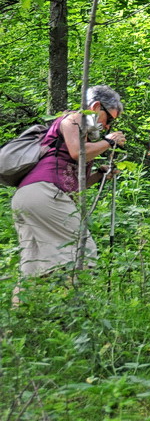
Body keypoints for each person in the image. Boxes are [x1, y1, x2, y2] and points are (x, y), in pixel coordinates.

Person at [11, 85, 126, 303]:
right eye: (108, 118)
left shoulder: (84, 134)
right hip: (44, 192)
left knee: (34, 263)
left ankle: (19, 321)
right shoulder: (73, 119)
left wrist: (100, 175)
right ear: (95, 106)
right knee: (83, 249)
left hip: (30, 196)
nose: (107, 125)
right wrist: (109, 141)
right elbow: (77, 152)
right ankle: (74, 312)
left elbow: (75, 183)